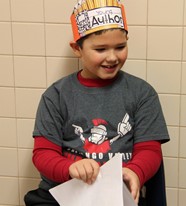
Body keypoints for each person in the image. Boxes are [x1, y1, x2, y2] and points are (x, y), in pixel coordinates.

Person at [24, 0, 170, 205]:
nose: (112, 57)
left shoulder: (142, 93)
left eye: (120, 47)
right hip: (61, 194)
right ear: (77, 49)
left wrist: (135, 171)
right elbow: (43, 153)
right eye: (101, 49)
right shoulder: (56, 95)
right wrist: (69, 169)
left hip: (117, 195)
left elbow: (150, 150)